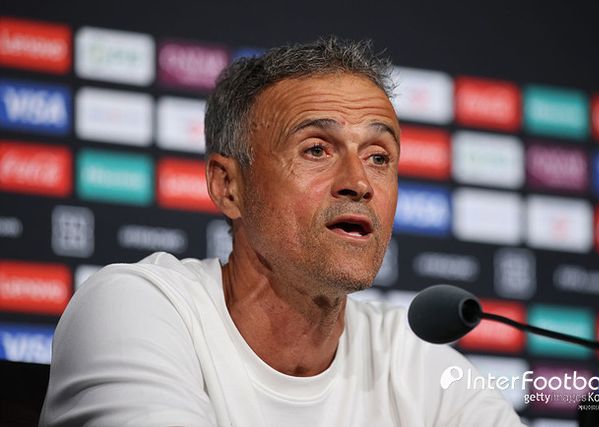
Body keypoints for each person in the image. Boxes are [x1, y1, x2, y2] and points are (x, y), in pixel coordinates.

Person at [40, 37, 525, 426]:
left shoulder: (410, 356)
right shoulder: (138, 306)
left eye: (379, 157)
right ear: (229, 186)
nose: (359, 183)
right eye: (316, 150)